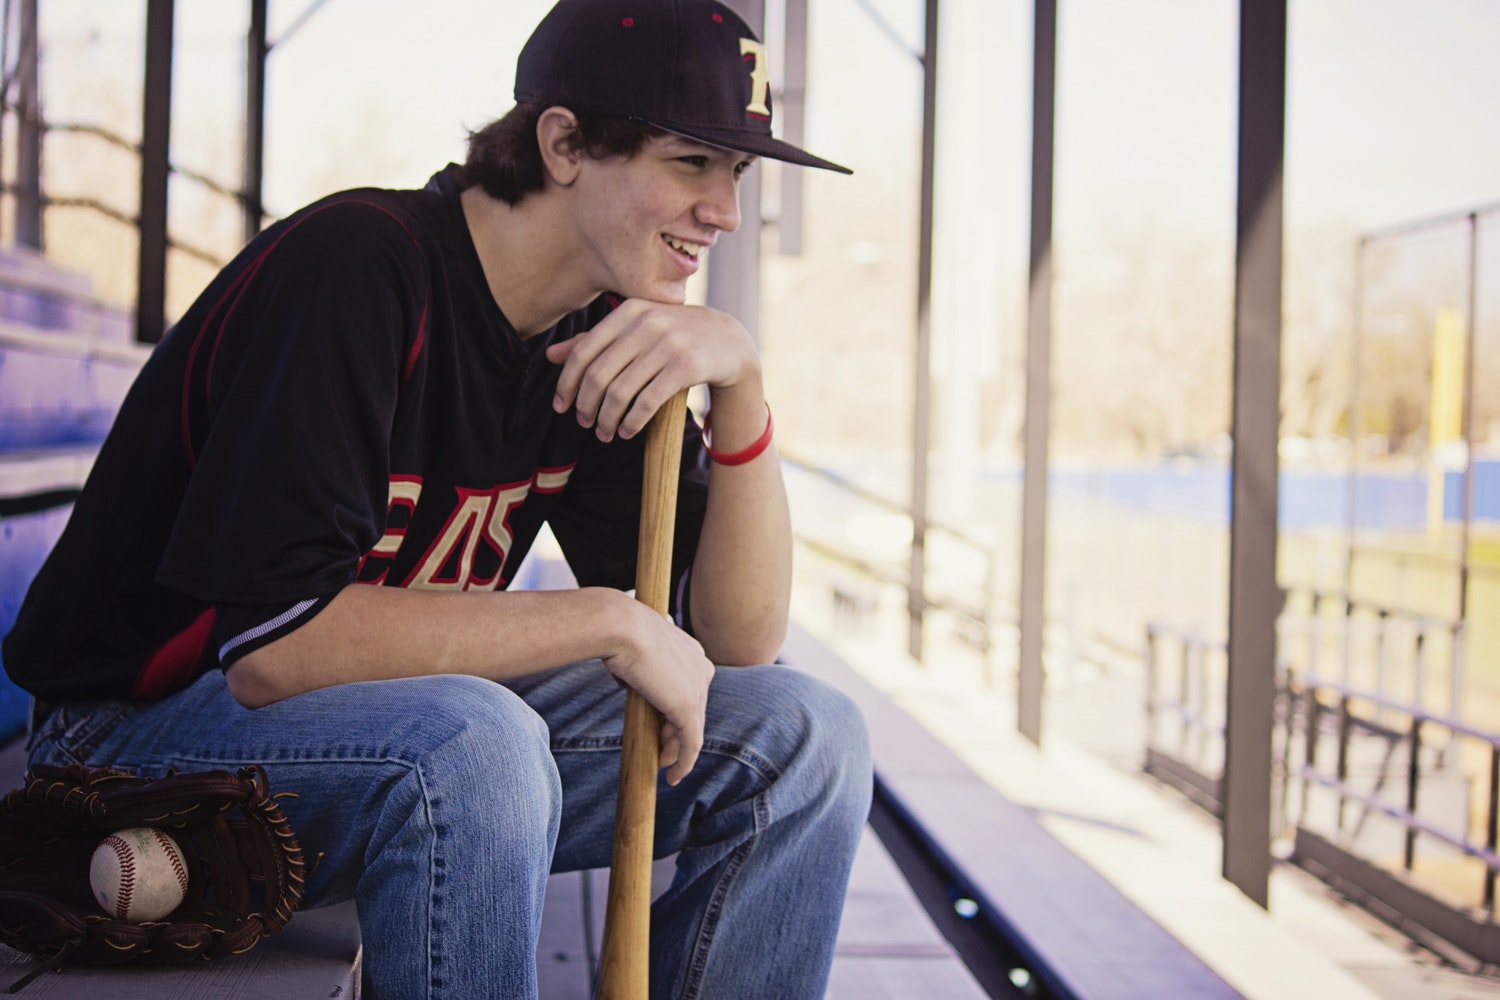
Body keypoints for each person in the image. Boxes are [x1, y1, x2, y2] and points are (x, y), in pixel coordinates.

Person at [1, 0, 871, 996]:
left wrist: (744, 392)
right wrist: (604, 620)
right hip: (133, 739)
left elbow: (734, 645)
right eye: (690, 162)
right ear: (564, 143)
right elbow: (277, 647)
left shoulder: (602, 336)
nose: (724, 208)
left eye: (737, 173)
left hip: (371, 736)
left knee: (804, 734)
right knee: (476, 741)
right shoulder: (360, 265)